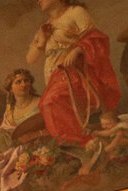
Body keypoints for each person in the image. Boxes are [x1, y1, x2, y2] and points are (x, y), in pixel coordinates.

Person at [26, 0, 121, 146]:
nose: (38, 1)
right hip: (53, 75)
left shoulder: (75, 12)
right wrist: (42, 40)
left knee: (50, 102)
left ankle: (76, 142)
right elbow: (30, 59)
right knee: (63, 110)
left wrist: (77, 50)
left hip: (73, 70)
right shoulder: (45, 26)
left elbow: (95, 37)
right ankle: (80, 143)